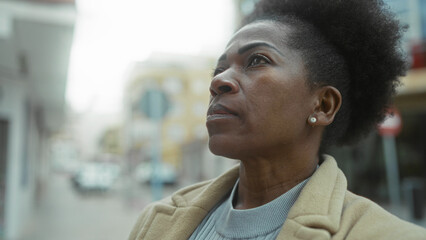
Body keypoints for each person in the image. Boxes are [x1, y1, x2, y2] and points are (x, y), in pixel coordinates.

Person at [128, 0, 426, 239]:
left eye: (257, 60)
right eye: (218, 69)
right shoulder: (156, 222)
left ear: (323, 105)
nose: (219, 81)